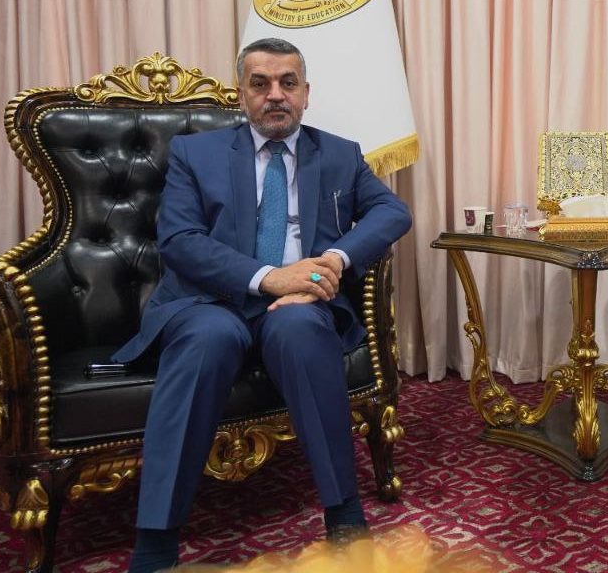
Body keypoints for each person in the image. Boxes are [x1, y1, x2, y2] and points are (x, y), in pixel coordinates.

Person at [112, 37, 413, 572]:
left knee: (301, 330)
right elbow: (180, 240)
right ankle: (155, 542)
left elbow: (392, 213)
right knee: (208, 340)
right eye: (261, 83)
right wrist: (270, 278)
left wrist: (329, 264)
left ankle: (345, 517)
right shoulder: (195, 154)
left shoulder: (339, 154)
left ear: (306, 93)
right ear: (241, 94)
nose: (276, 94)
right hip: (212, 301)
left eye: (288, 83)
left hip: (301, 301)